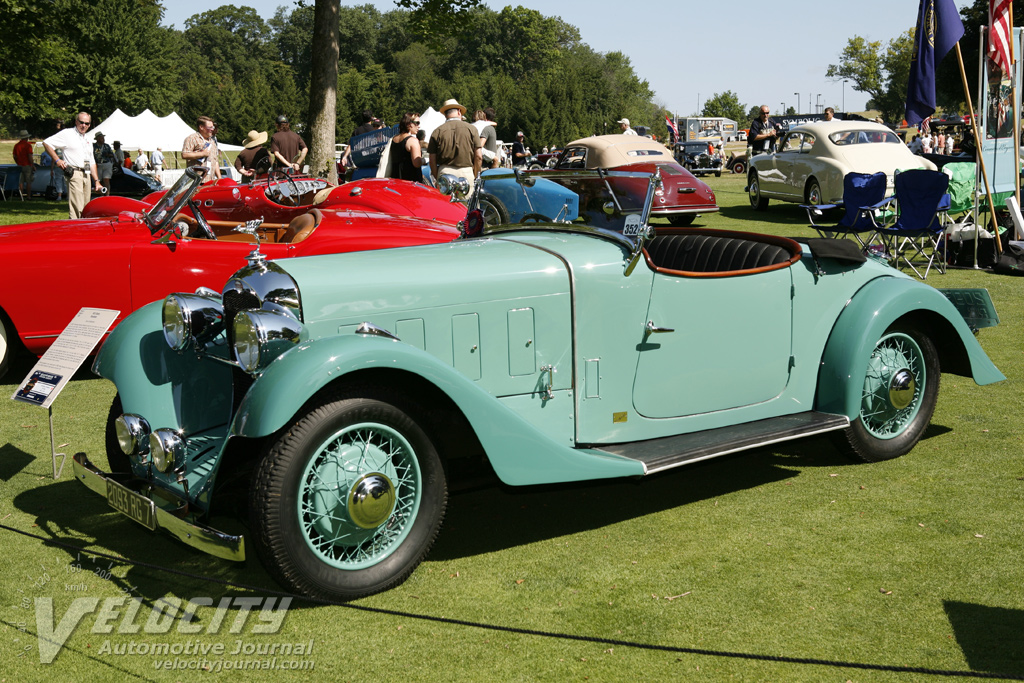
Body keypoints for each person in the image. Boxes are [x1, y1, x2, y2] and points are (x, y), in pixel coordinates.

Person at [42, 111, 103, 218]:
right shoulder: (67, 133)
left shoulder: (88, 138)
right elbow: (46, 143)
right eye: (81, 122)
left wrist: (97, 181)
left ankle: (83, 230)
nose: (84, 125)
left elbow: (92, 161)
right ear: (76, 121)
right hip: (74, 173)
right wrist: (58, 160)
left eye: (87, 123)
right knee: (77, 208)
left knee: (86, 207)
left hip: (86, 174)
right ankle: (75, 229)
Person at [427, 98, 482, 190]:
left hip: (444, 172)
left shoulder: (437, 131)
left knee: (445, 204)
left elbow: (432, 160)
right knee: (465, 204)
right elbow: (479, 156)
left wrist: (437, 176)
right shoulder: (472, 129)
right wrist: (475, 174)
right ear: (459, 112)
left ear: (445, 114)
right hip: (466, 173)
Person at [387, 113, 425, 182]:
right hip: (411, 182)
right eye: (417, 123)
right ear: (409, 124)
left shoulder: (393, 139)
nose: (419, 126)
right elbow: (416, 163)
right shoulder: (413, 141)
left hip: (395, 181)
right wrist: (423, 160)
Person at [182, 115, 221, 181]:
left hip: (210, 180)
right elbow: (184, 154)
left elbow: (215, 161)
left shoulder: (212, 141)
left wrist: (219, 178)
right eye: (210, 127)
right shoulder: (192, 138)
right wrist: (202, 154)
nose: (212, 129)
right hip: (196, 181)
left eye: (213, 127)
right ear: (201, 127)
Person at [13, 130, 34, 199]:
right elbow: (29, 156)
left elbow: (15, 156)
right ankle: (28, 196)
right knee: (28, 181)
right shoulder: (28, 145)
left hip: (19, 165)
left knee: (20, 181)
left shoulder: (16, 145)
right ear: (26, 137)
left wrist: (17, 162)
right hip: (27, 165)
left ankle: (21, 195)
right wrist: (33, 165)